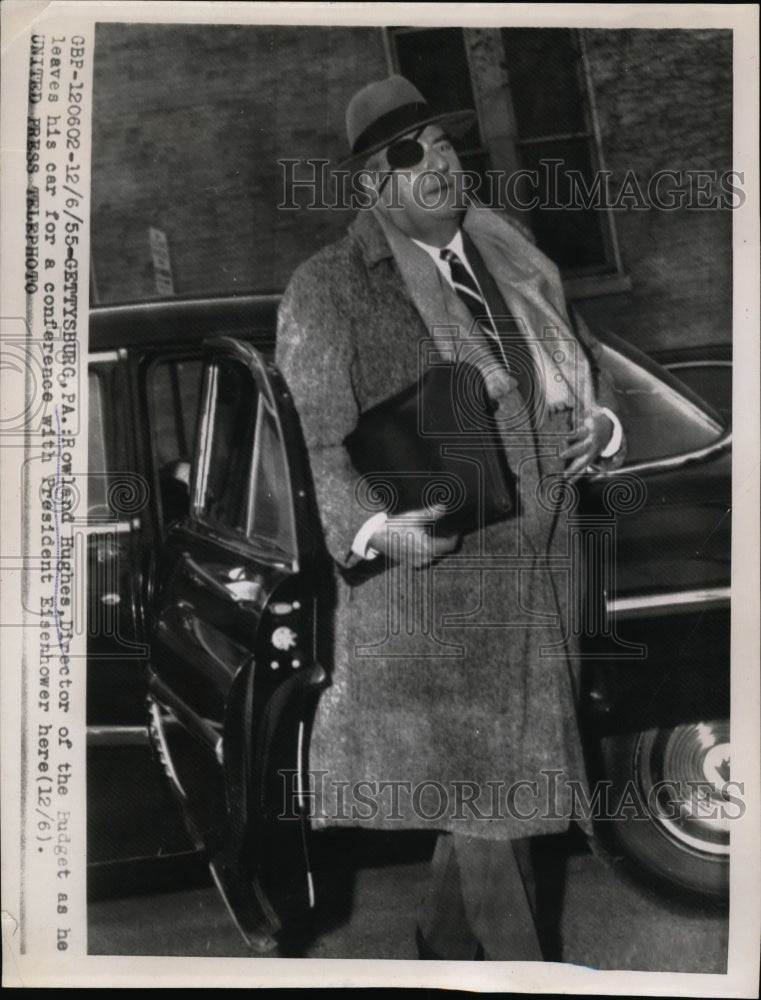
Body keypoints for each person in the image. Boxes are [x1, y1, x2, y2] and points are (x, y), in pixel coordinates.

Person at [275, 75, 625, 961]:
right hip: (436, 591)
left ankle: (437, 946)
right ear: (369, 186)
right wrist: (372, 530)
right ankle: (525, 977)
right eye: (404, 154)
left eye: (437, 141)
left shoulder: (509, 255)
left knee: (490, 796)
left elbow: (586, 362)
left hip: (540, 570)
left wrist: (603, 420)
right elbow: (310, 449)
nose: (432, 161)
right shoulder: (328, 288)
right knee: (495, 796)